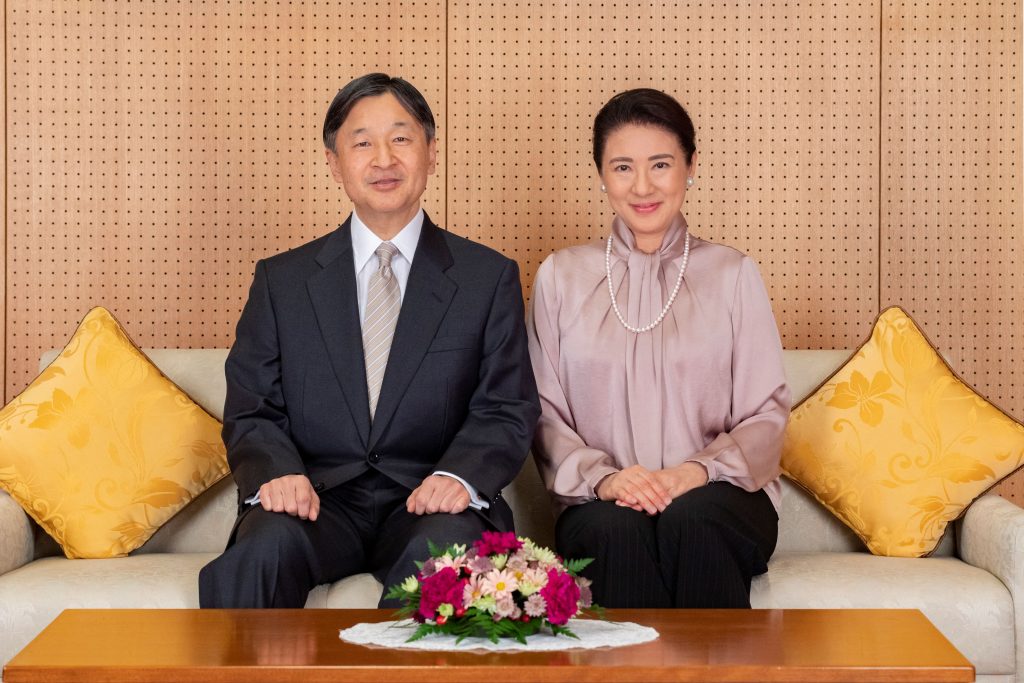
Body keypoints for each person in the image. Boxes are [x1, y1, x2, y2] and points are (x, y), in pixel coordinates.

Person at [199, 73, 540, 608]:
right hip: (317, 500)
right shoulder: (281, 281)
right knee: (262, 551)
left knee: (452, 555)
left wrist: (458, 477)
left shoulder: (487, 278)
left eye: (401, 139)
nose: (384, 159)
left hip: (432, 502)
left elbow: (506, 405)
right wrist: (278, 472)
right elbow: (252, 406)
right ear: (335, 163)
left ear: (431, 153)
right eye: (362, 143)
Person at [527, 88, 790, 608]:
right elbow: (542, 413)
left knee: (692, 520)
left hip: (721, 496)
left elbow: (766, 414)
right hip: (598, 500)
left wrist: (695, 473)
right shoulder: (561, 276)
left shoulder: (733, 274)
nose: (642, 186)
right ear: (602, 175)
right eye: (622, 167)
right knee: (615, 529)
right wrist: (604, 480)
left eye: (661, 164)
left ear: (690, 166)